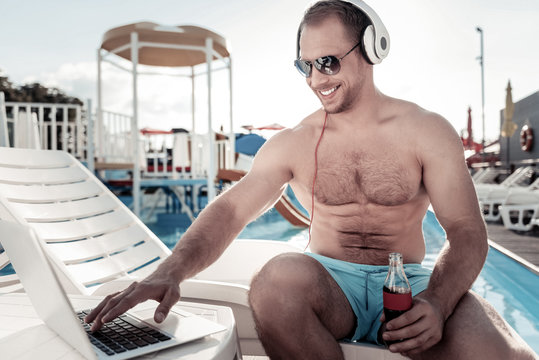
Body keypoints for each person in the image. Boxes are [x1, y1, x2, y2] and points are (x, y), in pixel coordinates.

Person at [85, 1, 536, 359]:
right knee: (274, 283)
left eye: (328, 61)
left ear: (372, 50)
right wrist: (170, 271)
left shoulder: (426, 130)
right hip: (330, 282)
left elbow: (465, 231)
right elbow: (232, 208)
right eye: (305, 66)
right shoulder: (294, 142)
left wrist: (437, 302)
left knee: (494, 351)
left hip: (410, 282)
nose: (317, 78)